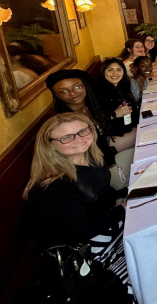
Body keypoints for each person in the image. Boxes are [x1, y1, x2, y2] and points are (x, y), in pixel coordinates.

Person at [23, 113, 135, 302]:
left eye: (83, 131)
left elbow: (102, 195)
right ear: (50, 144)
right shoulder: (51, 187)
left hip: (107, 230)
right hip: (88, 255)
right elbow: (79, 231)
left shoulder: (91, 160)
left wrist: (124, 196)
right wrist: (120, 210)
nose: (79, 139)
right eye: (66, 137)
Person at [46, 69, 135, 190]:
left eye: (77, 87)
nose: (72, 93)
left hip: (108, 156)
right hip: (103, 172)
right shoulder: (66, 122)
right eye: (64, 91)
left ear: (85, 86)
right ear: (57, 96)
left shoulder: (89, 108)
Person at [95, 58, 139, 139]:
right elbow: (96, 118)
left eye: (119, 70)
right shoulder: (98, 91)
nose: (115, 73)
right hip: (112, 136)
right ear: (103, 71)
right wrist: (114, 114)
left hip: (129, 128)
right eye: (110, 70)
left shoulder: (123, 86)